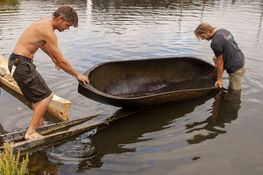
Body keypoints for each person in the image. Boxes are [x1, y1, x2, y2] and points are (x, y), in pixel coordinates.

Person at [8, 5, 89, 140]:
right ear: (59, 18)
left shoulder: (44, 22)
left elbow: (42, 43)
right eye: (67, 25)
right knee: (47, 97)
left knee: (36, 99)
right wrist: (77, 74)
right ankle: (31, 132)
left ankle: (39, 127)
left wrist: (52, 57)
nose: (67, 28)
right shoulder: (48, 32)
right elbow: (62, 61)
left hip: (17, 63)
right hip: (21, 64)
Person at [194, 22, 245, 91]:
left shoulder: (215, 43)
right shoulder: (223, 31)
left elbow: (220, 62)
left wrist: (219, 80)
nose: (203, 39)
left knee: (234, 93)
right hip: (240, 58)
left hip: (236, 69)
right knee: (215, 58)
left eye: (203, 36)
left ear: (208, 31)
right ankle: (219, 73)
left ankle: (220, 78)